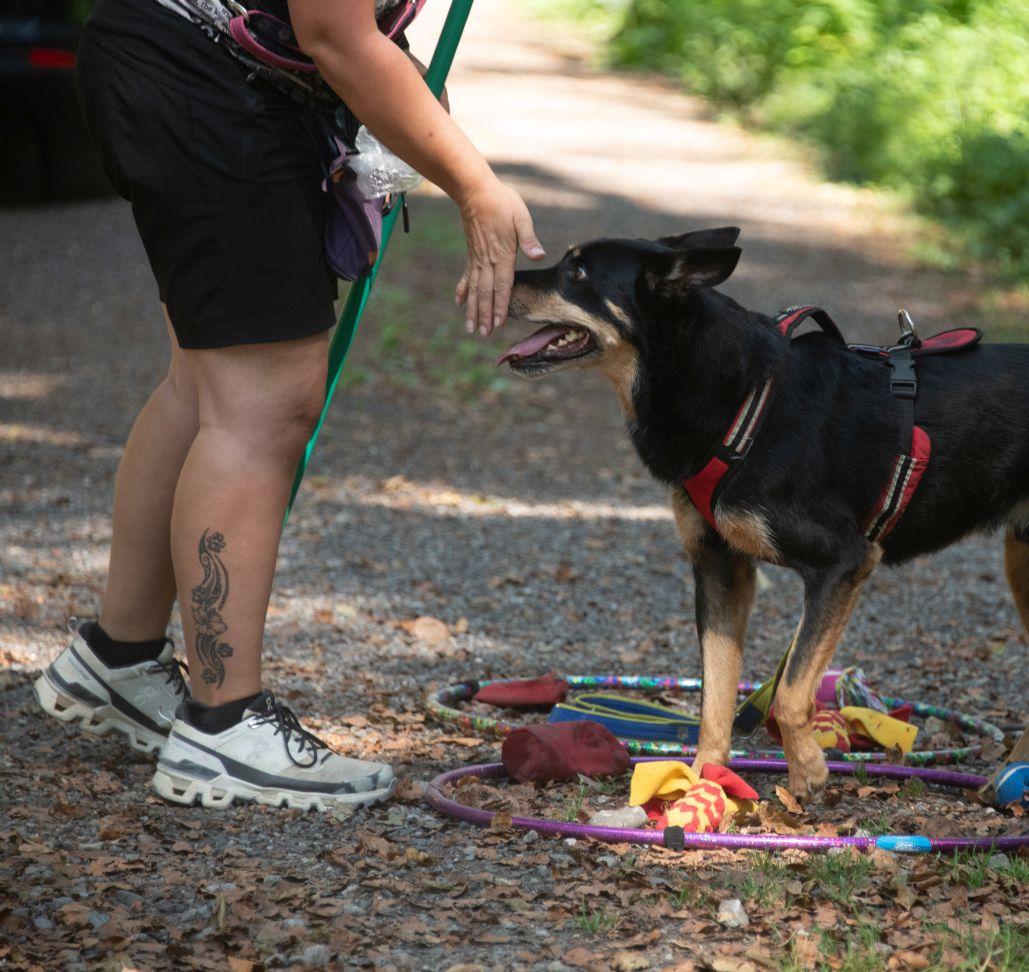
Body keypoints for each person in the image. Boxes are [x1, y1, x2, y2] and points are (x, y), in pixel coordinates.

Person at [33, 0, 544, 811]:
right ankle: (223, 727)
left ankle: (119, 658)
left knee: (206, 384)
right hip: (202, 82)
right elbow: (334, 34)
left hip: (184, 62)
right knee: (262, 402)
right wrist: (473, 185)